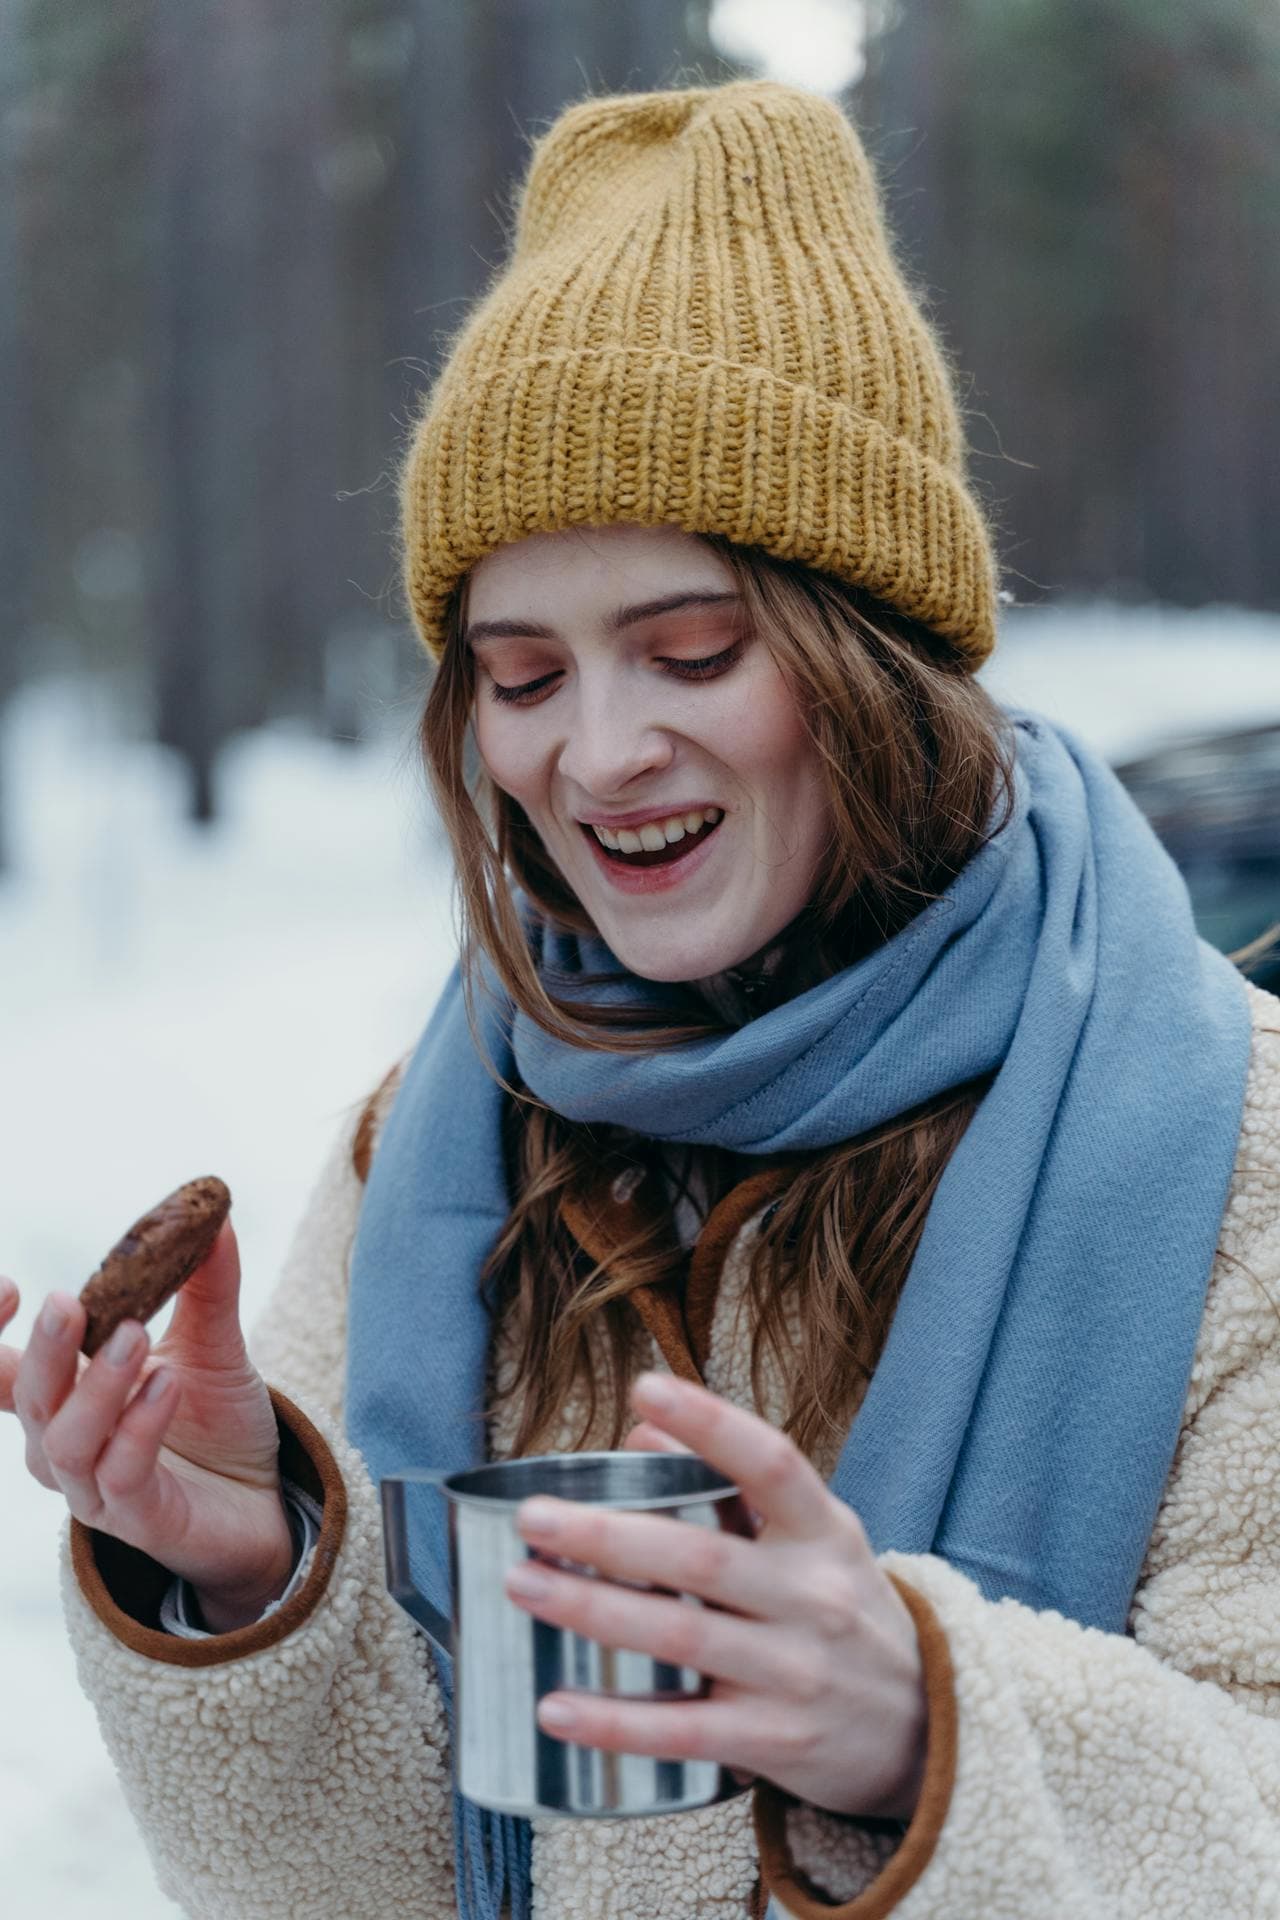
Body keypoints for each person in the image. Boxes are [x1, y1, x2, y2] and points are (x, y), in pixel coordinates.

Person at [3, 76, 1279, 1920]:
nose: (598, 755)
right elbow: (381, 1888)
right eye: (522, 679)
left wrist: (928, 1738)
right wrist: (254, 1583)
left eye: (691, 651)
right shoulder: (434, 1150)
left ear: (875, 656)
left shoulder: (1230, 1154)